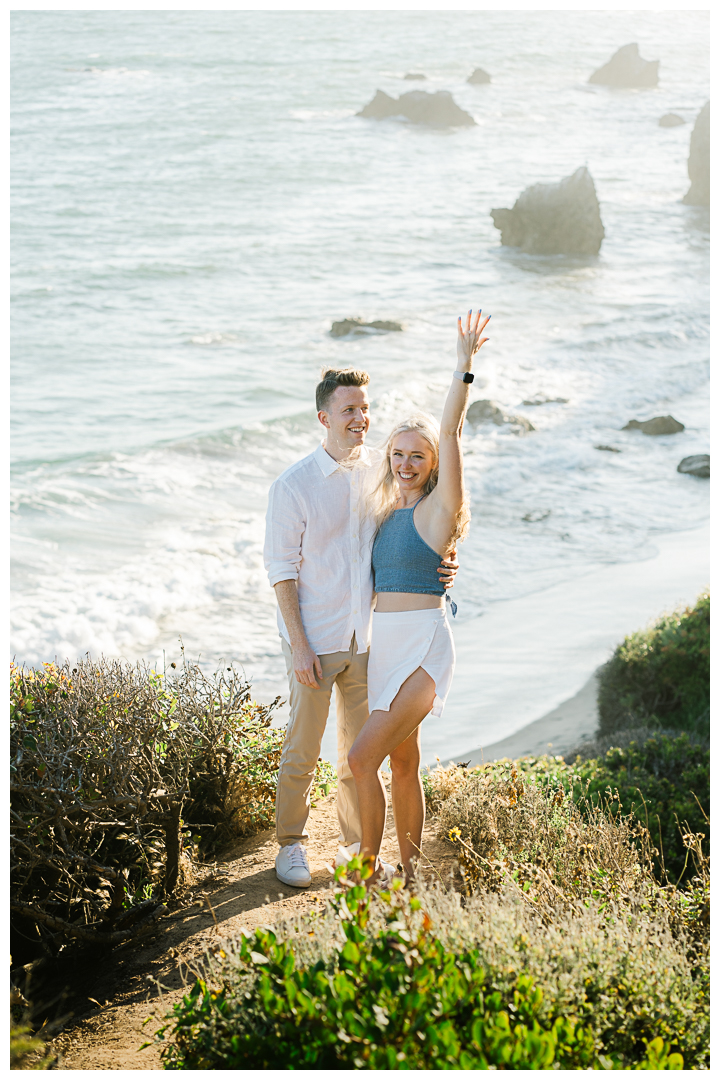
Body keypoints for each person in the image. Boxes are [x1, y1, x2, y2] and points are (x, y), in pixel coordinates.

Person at [263, 367, 458, 889]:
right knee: (303, 747)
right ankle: (291, 845)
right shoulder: (294, 486)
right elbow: (280, 571)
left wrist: (444, 560)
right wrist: (300, 646)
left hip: (366, 639)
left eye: (365, 408)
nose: (360, 418)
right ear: (324, 417)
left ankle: (356, 847)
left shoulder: (382, 471)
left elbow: (411, 533)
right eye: (349, 410)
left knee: (358, 752)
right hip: (314, 638)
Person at [348, 308, 490, 884]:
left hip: (425, 649)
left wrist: (463, 367)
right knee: (403, 765)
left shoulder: (437, 512)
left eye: (418, 456)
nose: (405, 464)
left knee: (362, 760)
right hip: (387, 649)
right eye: (398, 453)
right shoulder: (384, 513)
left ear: (432, 465)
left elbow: (451, 430)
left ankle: (368, 866)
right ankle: (410, 873)